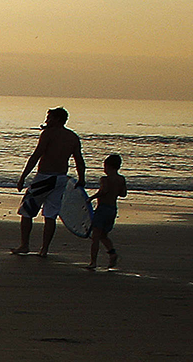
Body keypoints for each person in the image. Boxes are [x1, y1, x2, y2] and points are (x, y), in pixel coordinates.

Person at [15, 106, 86, 257]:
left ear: (58, 120)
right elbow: (79, 160)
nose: (47, 121)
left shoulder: (48, 134)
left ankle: (24, 245)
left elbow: (36, 155)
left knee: (27, 211)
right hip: (60, 179)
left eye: (50, 118)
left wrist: (23, 176)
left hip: (44, 178)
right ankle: (44, 249)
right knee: (50, 214)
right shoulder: (72, 137)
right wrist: (81, 178)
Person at [89, 154, 127, 270]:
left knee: (95, 237)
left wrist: (91, 198)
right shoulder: (121, 179)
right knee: (103, 235)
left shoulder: (105, 179)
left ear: (108, 166)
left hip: (102, 208)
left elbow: (103, 191)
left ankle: (93, 262)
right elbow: (123, 194)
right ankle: (112, 253)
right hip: (112, 209)